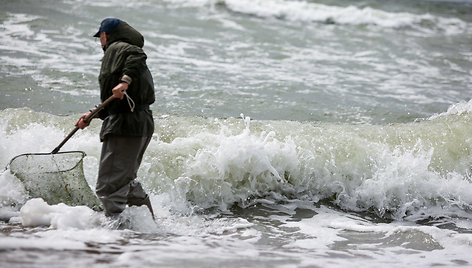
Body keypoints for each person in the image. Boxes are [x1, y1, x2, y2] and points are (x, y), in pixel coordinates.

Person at [76, 18, 155, 220]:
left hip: (126, 124)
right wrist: (92, 115)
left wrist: (124, 82)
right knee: (124, 181)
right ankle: (149, 227)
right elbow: (115, 101)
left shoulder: (119, 48)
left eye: (100, 38)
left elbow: (137, 56)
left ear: (105, 35)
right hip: (140, 121)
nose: (100, 43)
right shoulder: (119, 52)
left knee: (108, 187)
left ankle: (113, 239)